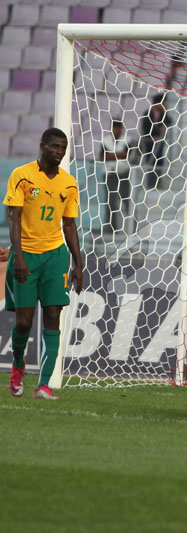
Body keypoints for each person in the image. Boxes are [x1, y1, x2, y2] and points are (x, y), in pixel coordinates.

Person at [4, 128, 83, 400]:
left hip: (55, 256)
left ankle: (44, 384)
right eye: (55, 147)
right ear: (42, 147)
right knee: (24, 322)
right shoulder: (22, 176)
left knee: (53, 317)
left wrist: (78, 264)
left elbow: (69, 225)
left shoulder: (69, 183)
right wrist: (19, 255)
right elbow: (13, 217)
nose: (59, 152)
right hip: (26, 254)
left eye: (63, 148)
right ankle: (17, 366)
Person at [101, 120, 135, 234]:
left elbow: (126, 155)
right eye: (114, 128)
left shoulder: (128, 139)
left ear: (121, 128)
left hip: (123, 173)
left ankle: (132, 229)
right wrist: (119, 154)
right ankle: (111, 228)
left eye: (118, 128)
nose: (116, 130)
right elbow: (102, 156)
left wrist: (111, 155)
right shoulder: (105, 140)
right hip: (110, 173)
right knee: (110, 201)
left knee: (127, 201)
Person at [139, 94, 172, 189]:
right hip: (149, 141)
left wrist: (166, 111)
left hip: (159, 142)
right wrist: (158, 130)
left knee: (159, 162)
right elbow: (147, 129)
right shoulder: (147, 113)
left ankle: (157, 182)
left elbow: (169, 122)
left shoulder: (163, 114)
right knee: (150, 162)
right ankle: (149, 183)